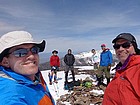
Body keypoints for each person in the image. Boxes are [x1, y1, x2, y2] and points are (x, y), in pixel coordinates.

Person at [0, 31, 55, 105]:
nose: (32, 56)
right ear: (5, 62)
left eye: (34, 50)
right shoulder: (11, 96)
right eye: (20, 53)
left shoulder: (33, 78)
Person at [103, 33, 140, 105]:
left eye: (126, 45)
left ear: (135, 48)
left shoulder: (137, 69)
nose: (120, 49)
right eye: (117, 46)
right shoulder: (121, 71)